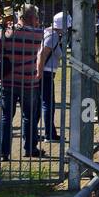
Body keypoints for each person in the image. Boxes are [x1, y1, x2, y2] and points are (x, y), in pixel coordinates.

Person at [0, 5, 45, 161]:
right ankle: (30, 148)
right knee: (29, 117)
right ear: (32, 17)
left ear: (20, 17)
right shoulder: (39, 34)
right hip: (29, 82)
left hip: (8, 81)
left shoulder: (6, 33)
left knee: (6, 117)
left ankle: (3, 153)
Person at [39, 11, 69, 143]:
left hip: (46, 73)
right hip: (45, 73)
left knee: (45, 103)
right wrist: (39, 72)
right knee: (48, 104)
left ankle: (46, 133)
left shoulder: (50, 33)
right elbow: (42, 54)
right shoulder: (53, 35)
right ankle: (49, 134)